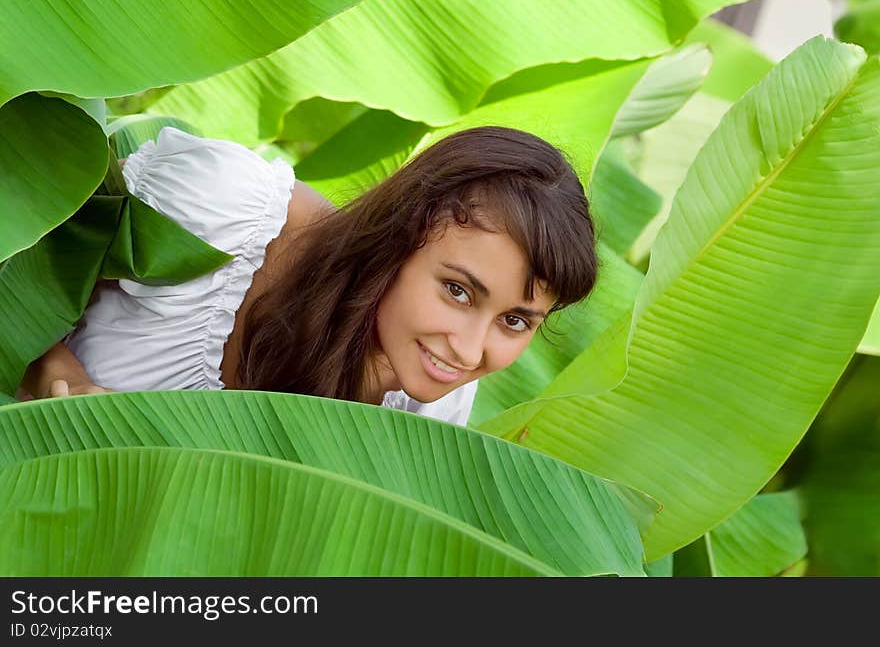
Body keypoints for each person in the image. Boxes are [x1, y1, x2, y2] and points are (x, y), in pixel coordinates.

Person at [19, 125, 599, 427]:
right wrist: (36, 349)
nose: (470, 351)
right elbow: (21, 219)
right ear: (398, 237)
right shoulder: (221, 207)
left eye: (516, 320)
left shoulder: (432, 409)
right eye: (457, 290)